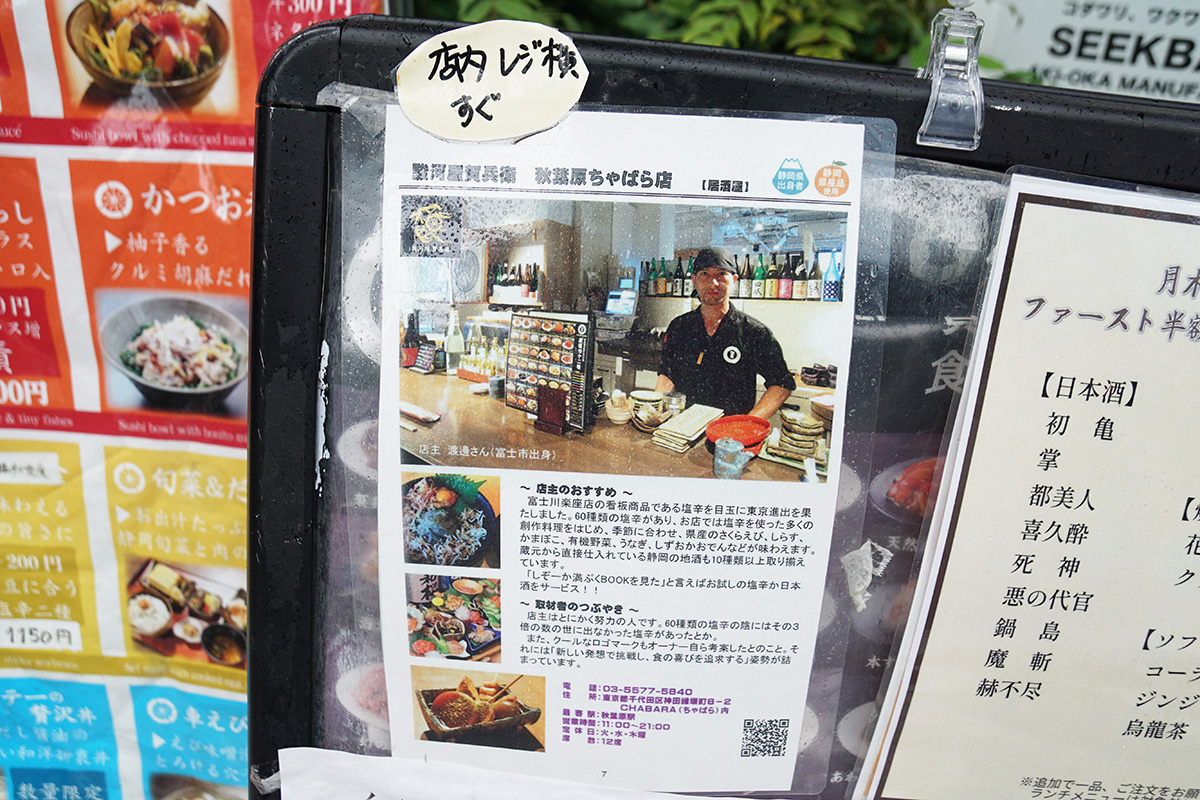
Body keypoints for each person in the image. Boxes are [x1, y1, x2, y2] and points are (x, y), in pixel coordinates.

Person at [655, 247, 795, 418]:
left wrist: (748, 423)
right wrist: (655, 411)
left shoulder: (754, 332)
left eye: (721, 274)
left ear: (734, 280)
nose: (713, 283)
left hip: (729, 428)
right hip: (683, 423)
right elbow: (668, 375)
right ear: (694, 280)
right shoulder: (680, 326)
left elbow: (782, 383)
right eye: (704, 274)